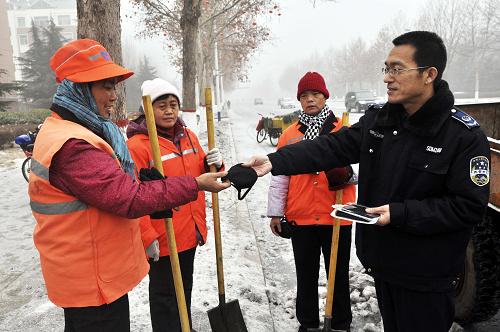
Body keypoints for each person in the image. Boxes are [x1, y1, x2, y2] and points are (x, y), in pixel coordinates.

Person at [244, 31, 490, 332]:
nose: (388, 77)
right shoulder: (380, 122)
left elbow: (467, 207)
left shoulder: (462, 136)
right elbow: (331, 147)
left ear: (429, 75)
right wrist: (275, 161)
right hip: (384, 267)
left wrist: (399, 214)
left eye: (397, 69)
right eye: (386, 68)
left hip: (426, 277)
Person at [28, 39, 229, 332]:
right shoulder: (73, 144)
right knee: (163, 298)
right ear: (80, 88)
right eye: (105, 87)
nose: (113, 96)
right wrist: (193, 186)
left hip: (99, 270)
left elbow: (124, 186)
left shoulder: (89, 131)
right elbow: (129, 197)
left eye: (114, 87)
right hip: (90, 277)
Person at [126, 78, 224, 331]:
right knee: (165, 299)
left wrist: (216, 164)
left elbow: (205, 174)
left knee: (184, 293)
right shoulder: (138, 146)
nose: (169, 111)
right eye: (161, 106)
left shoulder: (189, 136)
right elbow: (133, 196)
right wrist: (147, 237)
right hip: (162, 237)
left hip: (188, 231)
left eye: (173, 105)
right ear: (147, 109)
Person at [267, 72, 356, 331]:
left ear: (325, 96)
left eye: (315, 94)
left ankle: (340, 324)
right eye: (304, 96)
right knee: (305, 276)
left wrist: (349, 174)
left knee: (337, 276)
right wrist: (275, 212)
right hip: (301, 215)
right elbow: (280, 176)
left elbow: (369, 170)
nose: (310, 100)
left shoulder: (344, 130)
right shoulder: (289, 135)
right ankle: (307, 324)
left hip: (337, 215)